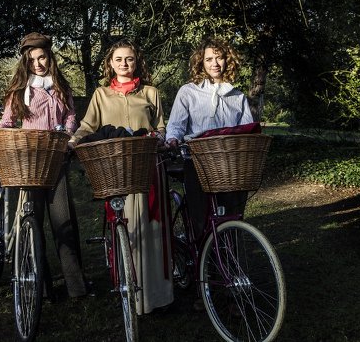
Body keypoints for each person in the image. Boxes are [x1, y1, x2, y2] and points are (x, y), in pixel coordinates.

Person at [69, 38, 173, 315]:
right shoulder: (101, 95)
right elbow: (88, 125)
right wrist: (73, 141)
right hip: (115, 169)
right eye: (118, 59)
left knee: (151, 228)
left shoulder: (151, 92)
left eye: (129, 59)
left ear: (137, 61)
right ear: (110, 64)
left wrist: (159, 137)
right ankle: (128, 289)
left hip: (148, 166)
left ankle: (156, 296)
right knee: (125, 228)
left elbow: (161, 127)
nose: (124, 64)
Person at [0, 32, 90, 299]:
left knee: (64, 222)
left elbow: (71, 115)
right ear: (25, 62)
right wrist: (4, 135)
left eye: (42, 58)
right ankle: (40, 285)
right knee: (33, 223)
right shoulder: (19, 91)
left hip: (56, 160)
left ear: (50, 58)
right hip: (29, 162)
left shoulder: (61, 87)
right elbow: (7, 122)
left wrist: (68, 132)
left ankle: (76, 286)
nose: (38, 64)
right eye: (32, 60)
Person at [165, 37, 254, 240]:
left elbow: (247, 130)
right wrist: (173, 139)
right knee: (200, 219)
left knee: (231, 217)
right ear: (201, 62)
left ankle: (229, 263)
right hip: (197, 162)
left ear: (227, 60)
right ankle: (201, 263)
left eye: (219, 57)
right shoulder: (188, 92)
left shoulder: (237, 95)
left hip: (229, 164)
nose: (215, 63)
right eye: (209, 59)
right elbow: (177, 125)